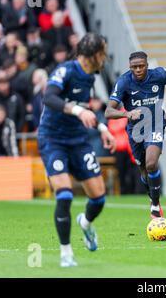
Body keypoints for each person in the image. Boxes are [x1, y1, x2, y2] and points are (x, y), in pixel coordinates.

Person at [38, 33, 116, 267]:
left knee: (99, 197)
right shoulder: (66, 70)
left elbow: (84, 107)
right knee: (64, 194)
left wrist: (102, 128)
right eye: (102, 52)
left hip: (78, 140)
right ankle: (66, 253)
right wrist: (77, 112)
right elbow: (49, 98)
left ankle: (86, 224)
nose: (104, 56)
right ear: (92, 54)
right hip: (53, 139)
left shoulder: (90, 76)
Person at [105, 51, 166, 219]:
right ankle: (152, 197)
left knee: (151, 163)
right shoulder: (124, 82)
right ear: (130, 67)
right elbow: (108, 111)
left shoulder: (159, 74)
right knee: (143, 171)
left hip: (155, 124)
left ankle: (155, 205)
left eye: (141, 66)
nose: (138, 69)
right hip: (135, 131)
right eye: (134, 67)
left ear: (147, 65)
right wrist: (127, 114)